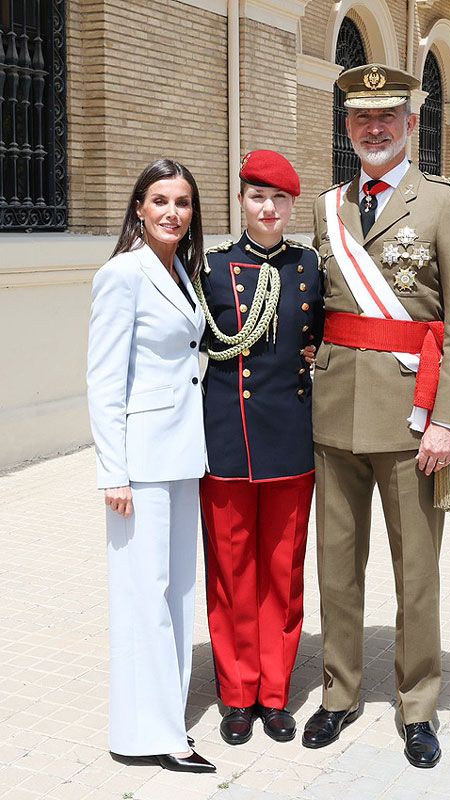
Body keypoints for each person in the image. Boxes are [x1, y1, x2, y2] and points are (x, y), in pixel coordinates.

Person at [302, 64, 450, 768]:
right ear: (347, 127)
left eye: (386, 117)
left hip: (414, 423)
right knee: (336, 569)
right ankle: (339, 693)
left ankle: (417, 706)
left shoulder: (444, 202)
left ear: (410, 123)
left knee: (416, 573)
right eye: (359, 118)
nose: (372, 128)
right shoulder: (328, 208)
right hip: (333, 415)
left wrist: (449, 421)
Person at [87, 158, 215, 773]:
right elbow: (104, 380)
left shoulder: (182, 271)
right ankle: (153, 736)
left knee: (176, 592)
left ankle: (162, 719)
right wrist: (112, 471)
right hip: (139, 462)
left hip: (183, 454)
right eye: (159, 200)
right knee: (143, 595)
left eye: (183, 203)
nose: (171, 212)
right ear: (138, 207)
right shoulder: (123, 274)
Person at [195, 150, 324, 745]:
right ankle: (236, 694)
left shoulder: (310, 267)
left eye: (278, 199)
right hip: (226, 442)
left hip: (291, 440)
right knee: (230, 573)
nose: (268, 208)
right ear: (241, 201)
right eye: (256, 197)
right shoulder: (211, 269)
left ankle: (275, 694)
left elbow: (327, 338)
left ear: (292, 205)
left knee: (282, 572)